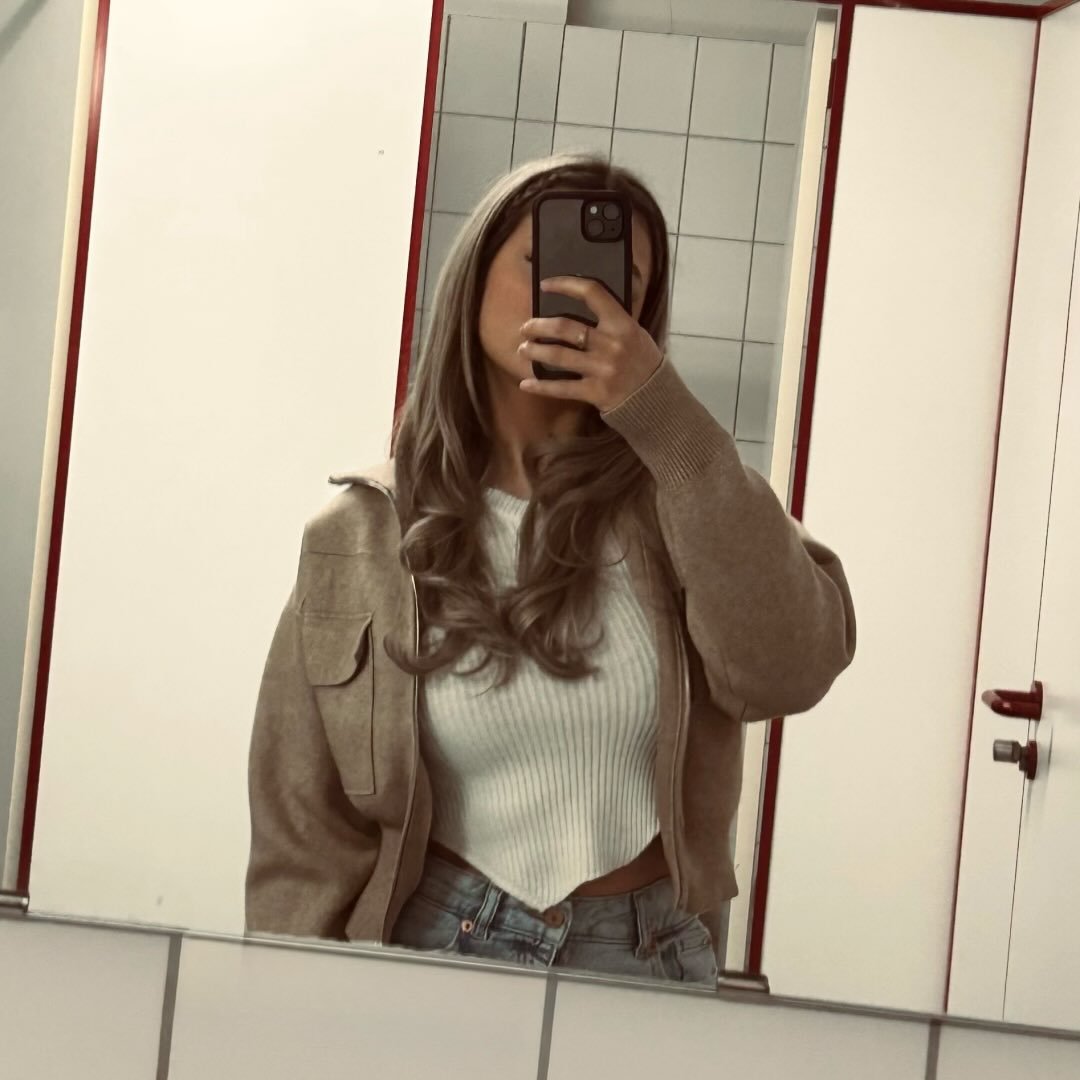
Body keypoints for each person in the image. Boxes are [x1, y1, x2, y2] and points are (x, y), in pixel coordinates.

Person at [245, 153, 856, 986]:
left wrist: (666, 418)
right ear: (473, 279)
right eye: (544, 261)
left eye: (616, 283)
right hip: (436, 950)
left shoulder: (684, 499)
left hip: (647, 960)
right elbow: (301, 827)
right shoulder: (361, 533)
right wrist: (285, 1003)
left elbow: (789, 670)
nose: (575, 295)